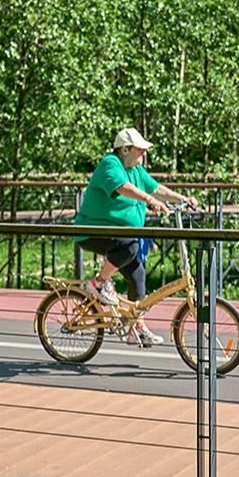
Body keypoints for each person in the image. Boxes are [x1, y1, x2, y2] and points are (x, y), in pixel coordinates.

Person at [74, 127, 198, 347]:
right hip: (93, 231)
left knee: (138, 275)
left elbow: (157, 188)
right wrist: (148, 200)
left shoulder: (137, 169)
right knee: (130, 247)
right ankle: (99, 283)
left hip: (120, 234)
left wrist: (184, 198)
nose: (144, 154)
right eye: (141, 150)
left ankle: (135, 327)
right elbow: (122, 187)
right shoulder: (110, 164)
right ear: (125, 149)